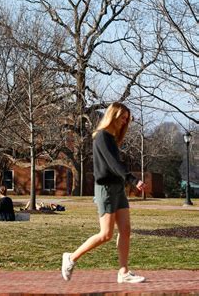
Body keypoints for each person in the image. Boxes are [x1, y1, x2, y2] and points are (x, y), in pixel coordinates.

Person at [61, 102, 146, 284]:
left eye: (126, 119)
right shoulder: (101, 137)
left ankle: (123, 272)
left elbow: (115, 166)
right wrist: (133, 180)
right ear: (113, 115)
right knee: (106, 234)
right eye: (122, 117)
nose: (124, 122)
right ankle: (71, 258)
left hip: (117, 189)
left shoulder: (112, 139)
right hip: (105, 189)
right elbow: (113, 165)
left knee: (125, 230)